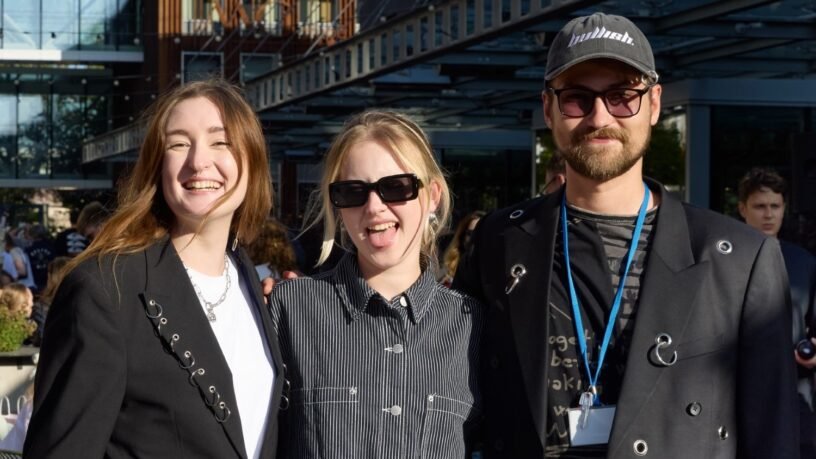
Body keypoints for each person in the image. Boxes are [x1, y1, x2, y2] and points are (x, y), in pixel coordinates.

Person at [454, 12, 796, 458]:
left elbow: (772, 432)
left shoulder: (741, 259)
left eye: (621, 97)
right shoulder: (500, 239)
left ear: (653, 105)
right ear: (548, 109)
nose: (600, 117)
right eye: (577, 99)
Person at [24, 80, 286, 459]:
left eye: (220, 142)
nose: (199, 161)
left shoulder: (248, 278)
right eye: (178, 143)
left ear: (253, 160)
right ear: (156, 165)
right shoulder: (105, 289)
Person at [269, 110, 483, 457]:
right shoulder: (292, 309)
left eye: (395, 187)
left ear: (432, 196)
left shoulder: (471, 324)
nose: (374, 207)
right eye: (353, 192)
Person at [738, 167, 816, 459]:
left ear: (784, 209)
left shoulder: (804, 263)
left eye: (775, 206)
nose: (768, 214)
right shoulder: (720, 259)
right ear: (742, 208)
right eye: (760, 206)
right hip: (739, 392)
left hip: (796, 396)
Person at [440, 210, 485, 286]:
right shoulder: (447, 276)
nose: (474, 238)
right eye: (470, 233)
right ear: (462, 237)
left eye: (480, 233)